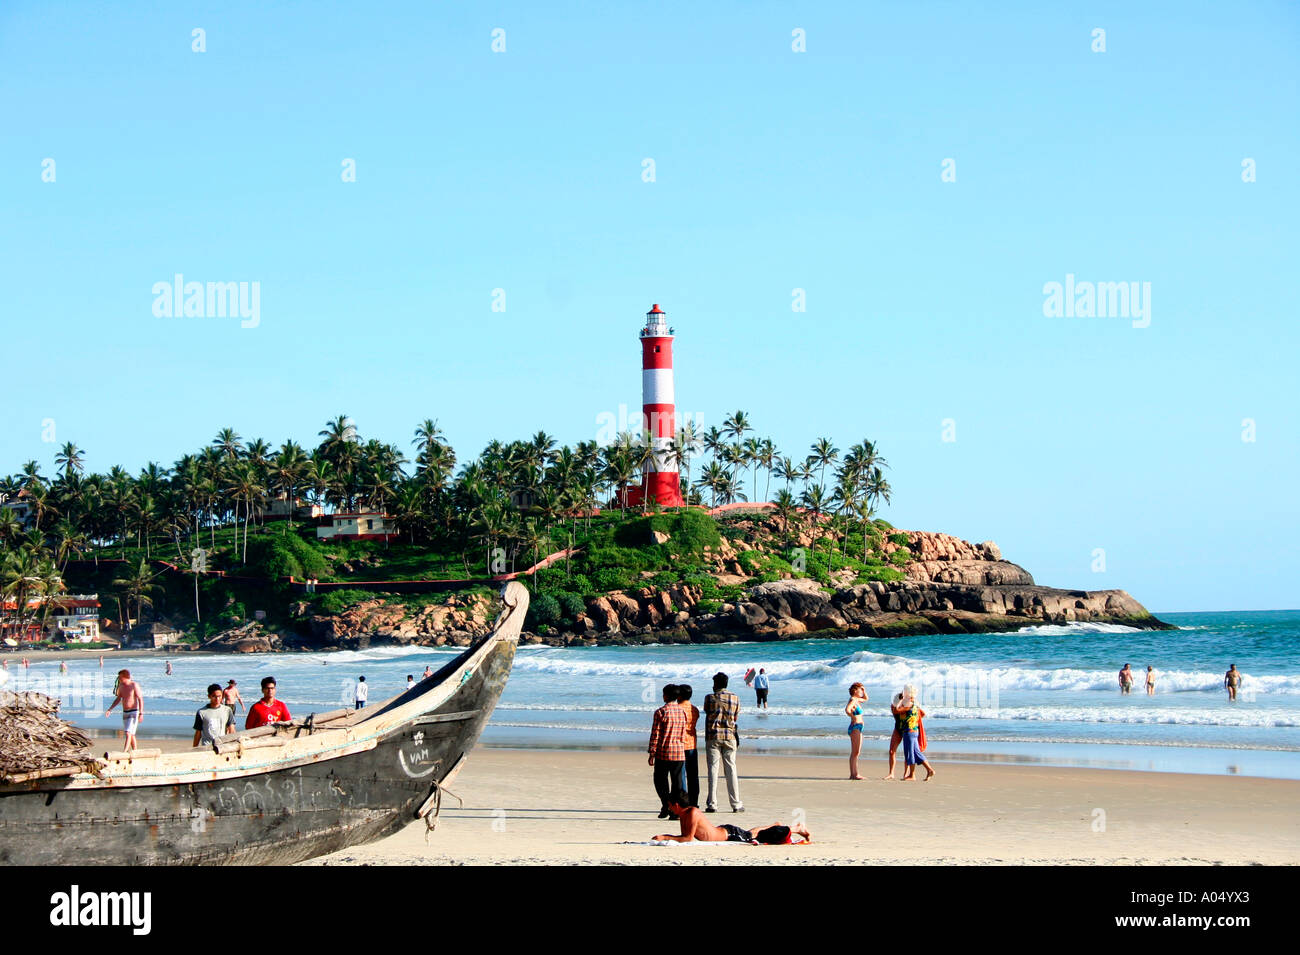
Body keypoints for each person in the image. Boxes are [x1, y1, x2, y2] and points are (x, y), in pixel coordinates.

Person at [653, 794, 811, 844]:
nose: (669, 808)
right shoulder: (683, 815)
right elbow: (684, 837)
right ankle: (774, 824)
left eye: (669, 805)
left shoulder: (693, 812)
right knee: (751, 833)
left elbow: (687, 839)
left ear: (676, 804)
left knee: (753, 835)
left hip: (729, 834)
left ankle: (797, 829)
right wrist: (667, 837)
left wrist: (665, 837)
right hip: (722, 831)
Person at [703, 672, 744, 813]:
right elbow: (736, 717)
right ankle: (736, 804)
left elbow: (707, 712)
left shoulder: (709, 698)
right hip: (730, 736)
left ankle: (712, 804)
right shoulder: (735, 698)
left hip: (713, 736)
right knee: (731, 769)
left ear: (715, 684)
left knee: (713, 769)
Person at [648, 684, 687, 818]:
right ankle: (674, 809)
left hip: (663, 752)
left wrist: (652, 752)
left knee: (660, 780)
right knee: (677, 782)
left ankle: (666, 804)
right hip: (679, 752)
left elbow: (655, 734)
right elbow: (683, 733)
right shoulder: (682, 712)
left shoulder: (661, 712)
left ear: (666, 696)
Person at [896, 684, 935, 781]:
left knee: (910, 753)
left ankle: (912, 775)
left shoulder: (908, 704)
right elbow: (923, 714)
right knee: (916, 752)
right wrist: (914, 719)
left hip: (909, 731)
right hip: (914, 730)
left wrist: (900, 700)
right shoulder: (915, 704)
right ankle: (929, 770)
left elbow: (897, 709)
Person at [105, 669, 143, 752]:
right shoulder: (121, 686)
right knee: (131, 734)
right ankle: (135, 751)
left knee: (128, 733)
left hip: (134, 711)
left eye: (120, 677)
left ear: (124, 677)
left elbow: (140, 699)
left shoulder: (134, 685)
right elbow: (118, 699)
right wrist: (110, 709)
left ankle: (124, 751)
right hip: (125, 712)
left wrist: (141, 713)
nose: (118, 678)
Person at [677, 684, 700, 808]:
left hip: (680, 744)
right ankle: (694, 801)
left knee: (682, 775)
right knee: (693, 775)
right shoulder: (694, 709)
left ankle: (684, 802)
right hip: (692, 743)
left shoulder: (677, 708)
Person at [844, 682, 868, 780]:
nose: (862, 691)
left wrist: (864, 689)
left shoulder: (857, 699)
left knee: (856, 752)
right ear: (855, 691)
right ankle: (854, 774)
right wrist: (853, 717)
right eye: (860, 690)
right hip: (855, 727)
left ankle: (854, 773)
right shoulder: (853, 699)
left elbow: (866, 699)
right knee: (855, 752)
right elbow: (847, 709)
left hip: (858, 727)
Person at [883, 691, 905, 779]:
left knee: (907, 753)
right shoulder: (894, 707)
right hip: (898, 728)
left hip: (907, 729)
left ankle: (906, 773)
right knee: (891, 751)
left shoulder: (908, 706)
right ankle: (891, 773)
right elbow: (895, 711)